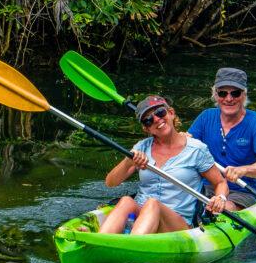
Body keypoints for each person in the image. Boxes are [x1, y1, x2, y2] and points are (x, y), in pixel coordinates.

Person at [98, 95, 229, 234]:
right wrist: (128, 161)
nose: (156, 119)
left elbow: (221, 183)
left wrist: (220, 198)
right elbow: (110, 183)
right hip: (141, 215)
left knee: (153, 204)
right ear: (146, 129)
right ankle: (100, 241)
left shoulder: (197, 149)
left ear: (171, 113)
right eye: (148, 120)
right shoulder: (141, 148)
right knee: (126, 201)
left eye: (160, 112)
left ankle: (132, 245)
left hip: (178, 224)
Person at [188, 67, 256, 210]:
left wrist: (243, 170)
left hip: (241, 192)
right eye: (223, 93)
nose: (229, 99)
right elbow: (183, 146)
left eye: (235, 93)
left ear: (244, 95)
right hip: (205, 187)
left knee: (222, 209)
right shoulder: (205, 117)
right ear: (215, 95)